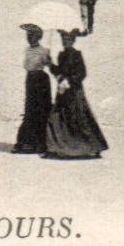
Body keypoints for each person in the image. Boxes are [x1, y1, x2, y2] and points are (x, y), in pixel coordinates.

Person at [44, 30, 108, 159]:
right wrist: (51, 65)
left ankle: (91, 146)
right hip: (62, 92)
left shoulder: (77, 55)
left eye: (67, 39)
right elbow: (59, 72)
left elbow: (82, 73)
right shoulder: (61, 55)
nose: (65, 41)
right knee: (58, 118)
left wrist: (70, 81)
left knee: (79, 119)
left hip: (74, 92)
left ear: (73, 40)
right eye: (63, 39)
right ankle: (56, 146)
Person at [13, 25, 53, 154]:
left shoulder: (44, 51)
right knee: (29, 109)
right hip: (30, 80)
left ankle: (41, 142)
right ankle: (26, 141)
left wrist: (48, 59)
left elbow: (49, 65)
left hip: (41, 81)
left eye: (33, 36)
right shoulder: (27, 50)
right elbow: (26, 65)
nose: (30, 38)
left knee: (41, 109)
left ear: (39, 37)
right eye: (28, 36)